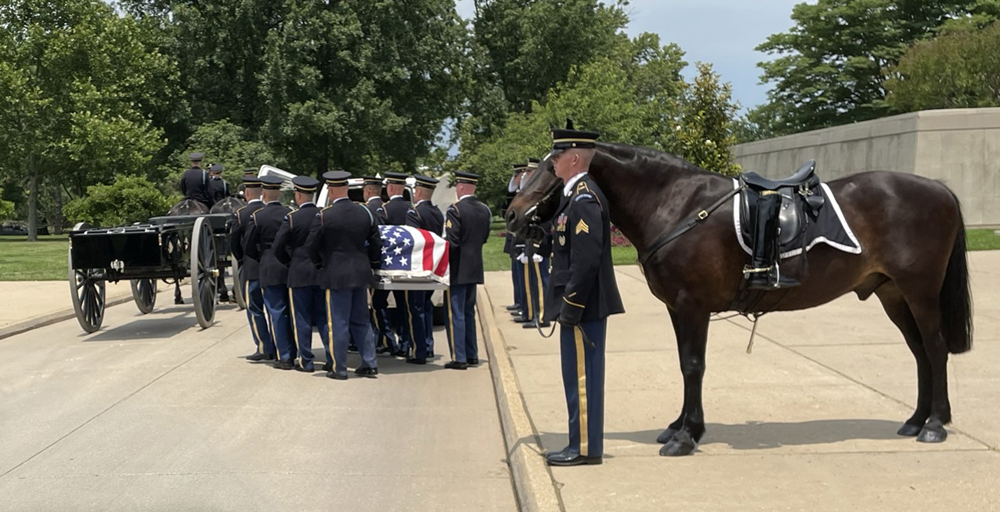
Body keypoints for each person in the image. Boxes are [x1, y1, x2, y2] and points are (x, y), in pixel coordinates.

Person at [542, 121, 624, 467]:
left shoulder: (585, 198)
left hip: (583, 307)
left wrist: (571, 306)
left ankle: (586, 448)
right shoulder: (573, 197)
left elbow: (587, 262)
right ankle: (580, 442)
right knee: (575, 378)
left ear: (574, 158)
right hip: (576, 306)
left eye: (557, 156)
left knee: (582, 378)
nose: (553, 163)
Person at [307, 170, 382, 380]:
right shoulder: (365, 213)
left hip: (336, 275)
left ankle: (339, 368)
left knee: (338, 322)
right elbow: (376, 242)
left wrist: (320, 263)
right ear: (347, 189)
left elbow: (311, 245)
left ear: (331, 190)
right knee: (361, 320)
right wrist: (373, 263)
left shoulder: (324, 215)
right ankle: (370, 363)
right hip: (361, 273)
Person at [272, 176, 331, 373]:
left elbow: (278, 247)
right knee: (324, 318)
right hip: (321, 272)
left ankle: (306, 360)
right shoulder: (324, 215)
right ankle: (331, 357)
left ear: (298, 195)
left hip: (298, 273)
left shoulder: (292, 218)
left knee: (301, 319)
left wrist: (290, 262)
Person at [245, 175, 297, 370]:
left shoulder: (258, 216)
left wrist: (262, 259)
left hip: (268, 268)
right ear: (280, 193)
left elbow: (249, 247)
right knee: (292, 312)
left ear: (264, 194)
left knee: (276, 312)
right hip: (289, 268)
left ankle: (283, 355)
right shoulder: (289, 213)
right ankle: (295, 351)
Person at [443, 172, 491, 370]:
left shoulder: (455, 210)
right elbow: (485, 237)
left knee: (456, 314)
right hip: (475, 267)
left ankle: (459, 357)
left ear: (461, 187)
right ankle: (472, 354)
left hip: (457, 268)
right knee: (468, 312)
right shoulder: (484, 210)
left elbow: (452, 241)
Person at [231, 171, 275, 361]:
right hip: (273, 268)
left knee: (255, 309)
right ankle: (281, 346)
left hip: (252, 269)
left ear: (247, 193)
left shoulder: (241, 214)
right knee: (275, 310)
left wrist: (243, 260)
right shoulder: (271, 213)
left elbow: (234, 244)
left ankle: (264, 346)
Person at [405, 174, 444, 364]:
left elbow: (414, 241)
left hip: (419, 267)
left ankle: (418, 350)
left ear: (418, 192)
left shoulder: (414, 214)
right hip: (433, 267)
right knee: (426, 306)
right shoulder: (438, 213)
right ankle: (428, 346)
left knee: (416, 308)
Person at [362, 175, 396, 355]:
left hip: (374, 264)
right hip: (392, 262)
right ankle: (389, 341)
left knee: (376, 304)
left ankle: (386, 340)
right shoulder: (385, 209)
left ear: (367, 191)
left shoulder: (366, 211)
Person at [382, 172, 413, 358]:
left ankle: (389, 341)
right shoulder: (411, 208)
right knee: (405, 306)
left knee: (379, 302)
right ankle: (405, 342)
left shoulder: (384, 210)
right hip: (407, 264)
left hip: (387, 266)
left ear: (390, 188)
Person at [520, 157, 551, 329]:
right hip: (533, 244)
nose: (526, 175)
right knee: (533, 282)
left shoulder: (543, 196)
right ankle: (534, 314)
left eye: (529, 172)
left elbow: (545, 221)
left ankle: (542, 316)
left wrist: (540, 244)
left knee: (540, 282)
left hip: (541, 245)